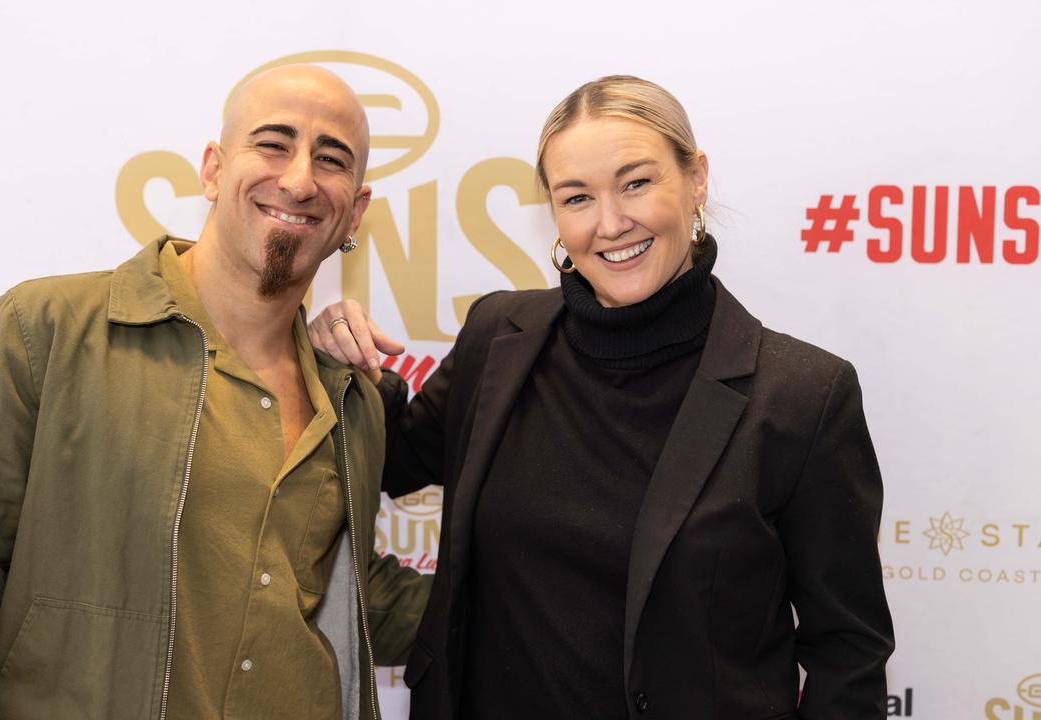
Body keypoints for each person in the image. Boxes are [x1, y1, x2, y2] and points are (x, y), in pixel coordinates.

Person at [311, 75, 894, 719]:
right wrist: (337, 364)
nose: (611, 223)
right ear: (555, 214)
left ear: (696, 179)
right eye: (577, 196)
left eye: (636, 182)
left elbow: (848, 651)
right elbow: (391, 461)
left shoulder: (802, 395)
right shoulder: (497, 338)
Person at [0, 64, 430, 720]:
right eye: (274, 143)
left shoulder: (348, 399)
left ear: (354, 212)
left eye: (330, 159)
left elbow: (345, 593)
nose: (301, 179)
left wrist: (553, 591)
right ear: (214, 170)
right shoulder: (45, 330)